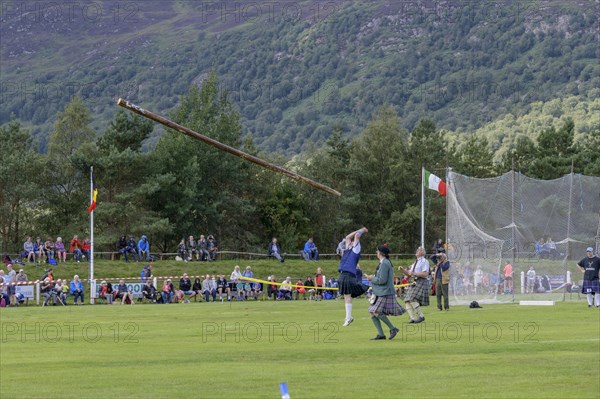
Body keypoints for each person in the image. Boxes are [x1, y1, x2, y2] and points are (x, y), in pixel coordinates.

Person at [366, 244, 406, 340]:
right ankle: (381, 334)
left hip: (385, 292)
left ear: (381, 253)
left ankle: (393, 329)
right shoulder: (384, 262)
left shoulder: (385, 263)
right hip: (381, 292)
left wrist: (371, 278)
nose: (376, 252)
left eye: (377, 251)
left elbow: (382, 280)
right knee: (372, 312)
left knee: (375, 311)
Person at [338, 227, 369, 326]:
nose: (350, 242)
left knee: (348, 295)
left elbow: (356, 236)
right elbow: (347, 237)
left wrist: (362, 231)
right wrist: (358, 229)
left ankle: (348, 318)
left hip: (349, 275)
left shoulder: (356, 249)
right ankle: (349, 317)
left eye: (352, 242)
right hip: (342, 274)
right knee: (347, 296)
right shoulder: (347, 249)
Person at [399, 247, 430, 323]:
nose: (416, 251)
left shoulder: (424, 261)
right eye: (417, 250)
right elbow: (409, 273)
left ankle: (421, 316)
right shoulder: (415, 262)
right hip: (414, 281)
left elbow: (425, 274)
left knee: (412, 298)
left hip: (421, 281)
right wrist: (403, 270)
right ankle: (413, 318)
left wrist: (415, 273)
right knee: (407, 300)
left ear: (423, 252)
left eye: (419, 250)